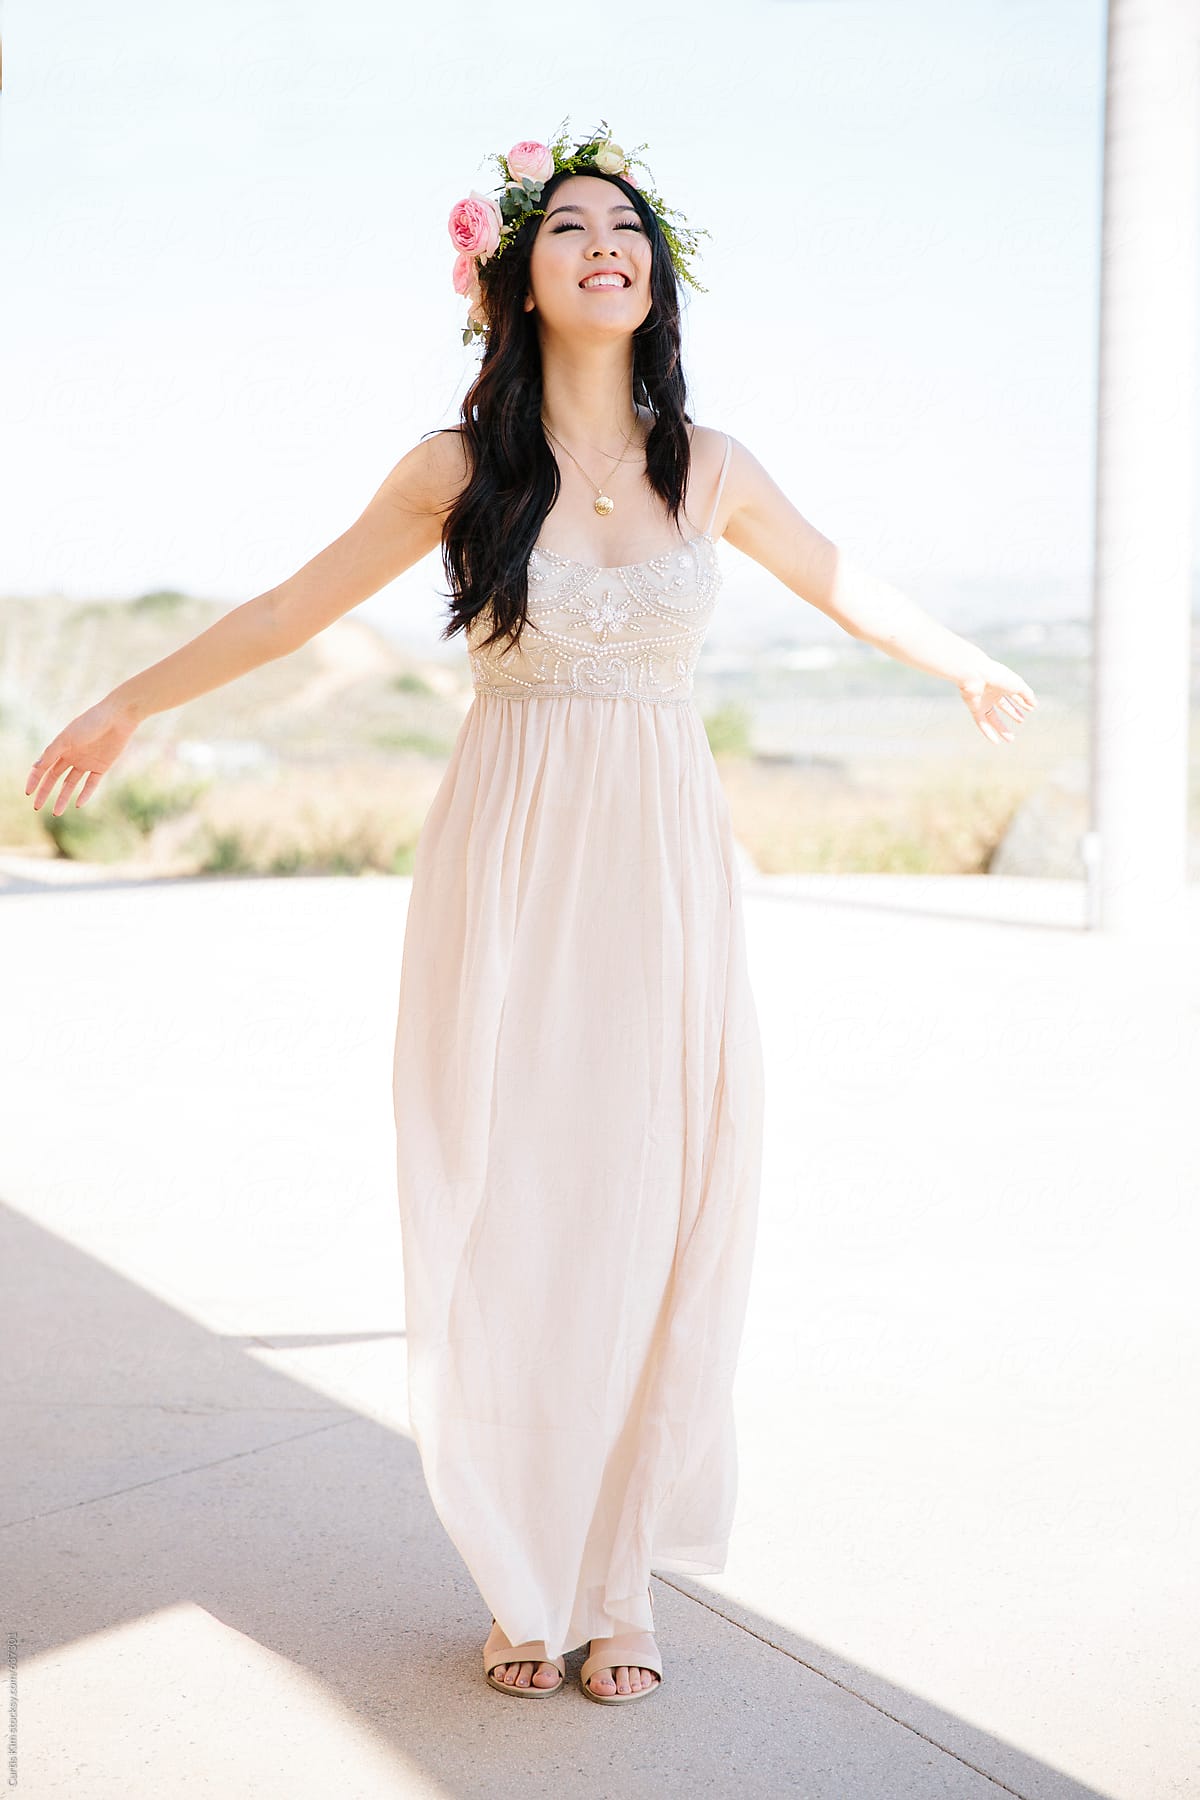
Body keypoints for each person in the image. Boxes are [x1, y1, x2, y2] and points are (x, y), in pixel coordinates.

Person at [24, 119, 1037, 1707]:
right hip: (508, 864)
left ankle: (616, 1579)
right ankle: (518, 1567)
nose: (604, 242)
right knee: (514, 1212)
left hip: (661, 866)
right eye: (569, 224)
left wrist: (961, 661)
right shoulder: (456, 469)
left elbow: (842, 574)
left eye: (627, 225)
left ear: (655, 277)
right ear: (518, 275)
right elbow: (296, 604)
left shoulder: (711, 464)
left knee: (655, 1207)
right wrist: (131, 702)